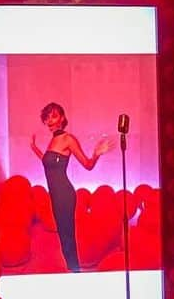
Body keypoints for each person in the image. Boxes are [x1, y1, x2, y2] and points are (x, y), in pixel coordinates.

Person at [30, 102, 115, 272]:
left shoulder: (67, 139)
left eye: (53, 116)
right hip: (55, 194)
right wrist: (35, 149)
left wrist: (96, 154)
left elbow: (87, 164)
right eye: (47, 118)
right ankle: (73, 270)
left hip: (64, 194)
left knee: (67, 235)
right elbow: (48, 164)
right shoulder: (53, 140)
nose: (50, 121)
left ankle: (75, 271)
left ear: (62, 118)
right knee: (63, 235)